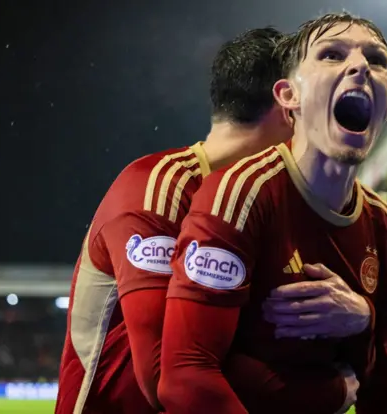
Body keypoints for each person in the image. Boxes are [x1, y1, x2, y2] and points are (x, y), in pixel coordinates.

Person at [56, 27, 368, 414]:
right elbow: (168, 374)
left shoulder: (273, 205)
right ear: (287, 107)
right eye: (320, 101)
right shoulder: (158, 190)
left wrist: (361, 315)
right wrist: (327, 393)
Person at [159, 12, 387, 414]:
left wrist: (364, 320)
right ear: (288, 95)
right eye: (331, 54)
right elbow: (186, 376)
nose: (360, 66)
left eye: (376, 60)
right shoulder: (239, 193)